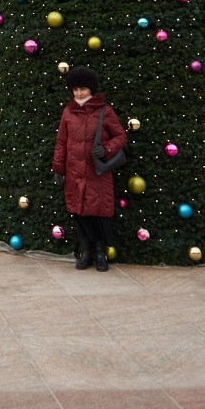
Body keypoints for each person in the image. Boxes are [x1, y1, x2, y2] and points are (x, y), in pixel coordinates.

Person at [51, 66, 127, 272]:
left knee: (98, 214)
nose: (78, 93)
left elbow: (120, 136)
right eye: (75, 89)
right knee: (80, 213)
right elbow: (61, 142)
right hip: (75, 173)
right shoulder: (68, 111)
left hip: (97, 173)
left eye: (82, 89)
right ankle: (86, 252)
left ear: (91, 89)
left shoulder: (104, 111)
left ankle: (101, 253)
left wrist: (106, 149)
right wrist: (58, 168)